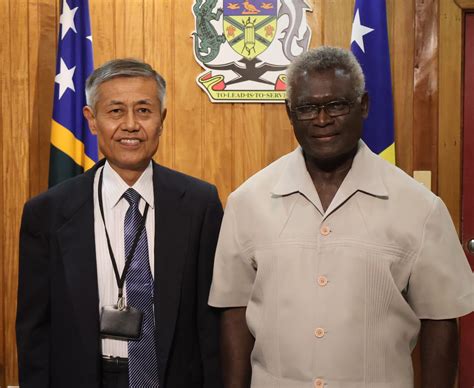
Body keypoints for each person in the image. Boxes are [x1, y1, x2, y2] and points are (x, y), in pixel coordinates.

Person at [209, 46, 473, 388]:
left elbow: (440, 320)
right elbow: (233, 312)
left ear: (363, 105)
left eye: (336, 105)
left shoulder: (420, 208)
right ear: (290, 112)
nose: (322, 120)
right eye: (307, 108)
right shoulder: (247, 202)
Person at [16, 58, 223, 388]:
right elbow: (34, 330)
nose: (130, 125)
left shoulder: (199, 203)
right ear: (92, 120)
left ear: (162, 121)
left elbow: (211, 324)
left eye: (143, 111)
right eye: (115, 111)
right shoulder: (49, 212)